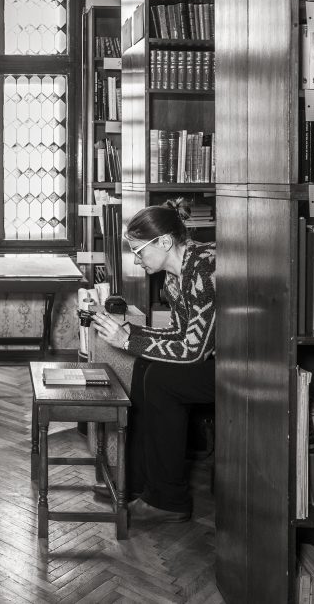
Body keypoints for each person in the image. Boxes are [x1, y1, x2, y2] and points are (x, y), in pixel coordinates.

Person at [90, 198, 216, 524]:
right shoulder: (174, 277)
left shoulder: (204, 266)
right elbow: (176, 333)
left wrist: (128, 340)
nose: (136, 260)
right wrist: (129, 332)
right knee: (145, 367)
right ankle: (137, 483)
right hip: (211, 359)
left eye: (139, 251)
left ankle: (168, 499)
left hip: (241, 366)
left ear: (164, 241)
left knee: (161, 380)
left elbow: (193, 350)